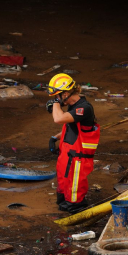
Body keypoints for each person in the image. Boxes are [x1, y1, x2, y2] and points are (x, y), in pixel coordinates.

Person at [46, 73, 100, 214]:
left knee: (74, 192)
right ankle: (63, 210)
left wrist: (55, 105)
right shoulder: (72, 106)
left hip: (78, 158)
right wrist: (56, 137)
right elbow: (72, 127)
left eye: (57, 95)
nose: (56, 99)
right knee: (63, 188)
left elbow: (59, 119)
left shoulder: (84, 108)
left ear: (67, 93)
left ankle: (78, 219)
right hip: (68, 154)